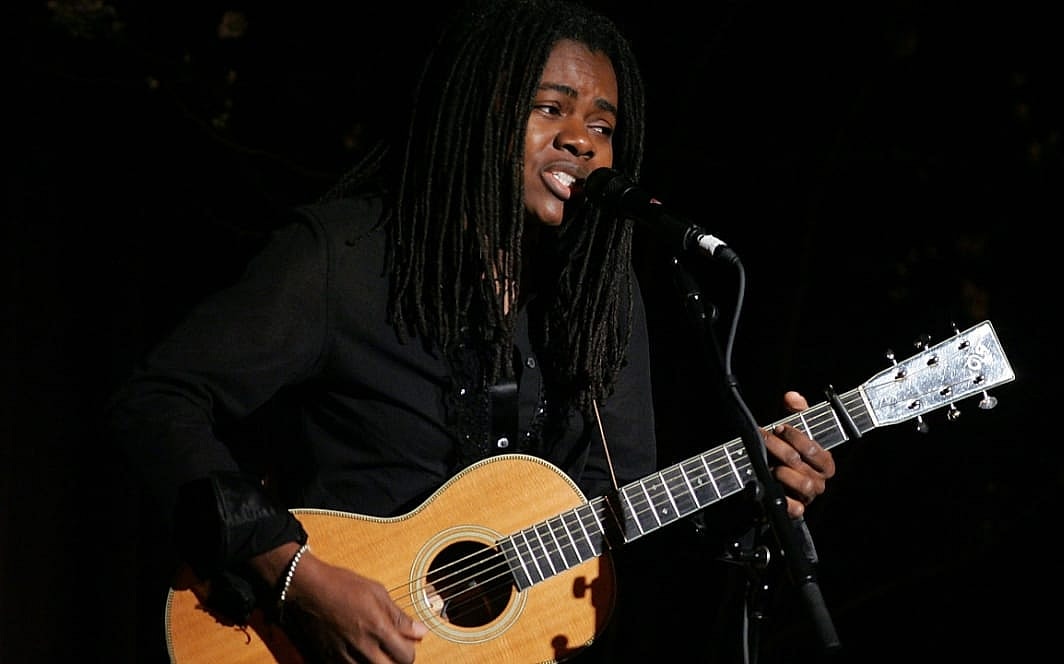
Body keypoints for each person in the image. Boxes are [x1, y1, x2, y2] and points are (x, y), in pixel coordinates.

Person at [105, 1, 836, 662]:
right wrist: (295, 576)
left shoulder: (598, 300)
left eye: (604, 126)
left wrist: (748, 493)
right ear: (482, 114)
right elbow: (159, 401)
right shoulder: (346, 257)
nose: (582, 141)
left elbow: (620, 515)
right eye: (552, 109)